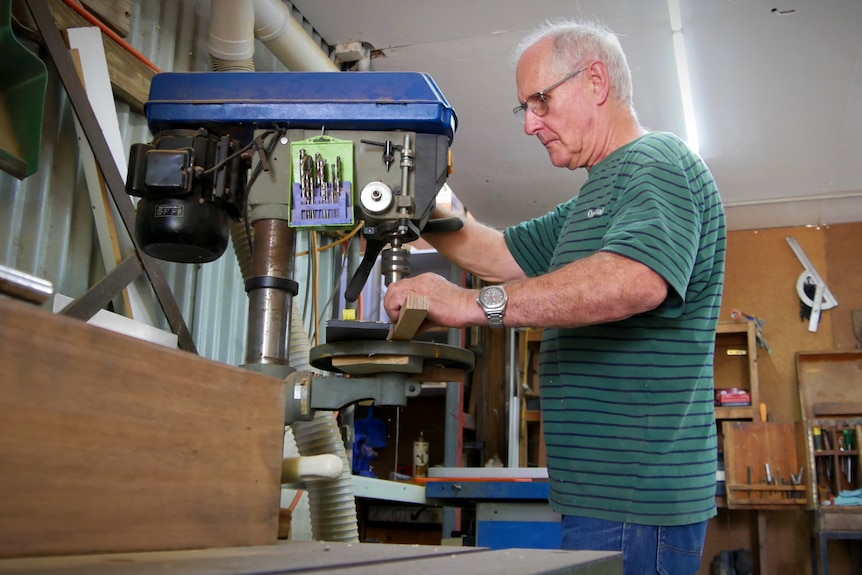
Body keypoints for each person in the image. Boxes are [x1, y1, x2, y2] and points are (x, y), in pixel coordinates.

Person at [383, 18, 726, 575]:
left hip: (637, 498)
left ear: (596, 81)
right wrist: (412, 198)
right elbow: (497, 251)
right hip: (601, 495)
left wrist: (472, 305)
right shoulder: (597, 198)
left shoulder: (659, 163)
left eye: (540, 100)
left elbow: (633, 280)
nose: (530, 124)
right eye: (525, 108)